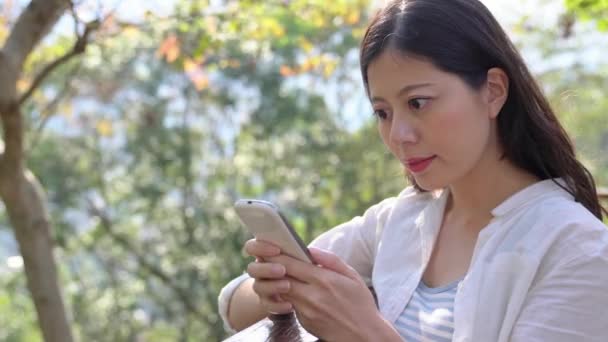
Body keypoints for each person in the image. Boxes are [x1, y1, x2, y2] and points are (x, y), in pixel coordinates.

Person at [218, 0, 608, 340]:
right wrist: (276, 290)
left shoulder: (578, 251)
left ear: (493, 91)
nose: (398, 135)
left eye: (418, 103)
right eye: (382, 112)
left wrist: (363, 332)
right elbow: (233, 303)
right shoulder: (402, 221)